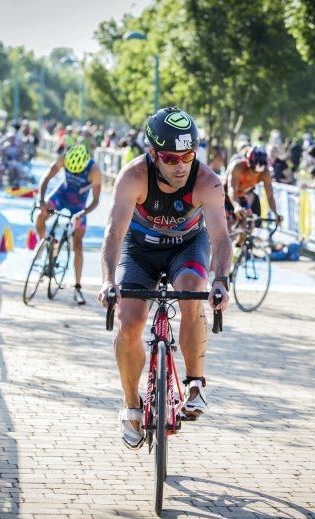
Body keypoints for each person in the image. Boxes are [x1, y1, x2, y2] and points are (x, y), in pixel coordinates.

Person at [97, 107, 231, 449]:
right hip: (138, 250)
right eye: (171, 158)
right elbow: (113, 234)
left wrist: (222, 281)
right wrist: (108, 280)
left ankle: (195, 383)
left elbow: (220, 238)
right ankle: (131, 406)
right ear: (154, 154)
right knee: (129, 320)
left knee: (192, 292)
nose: (181, 165)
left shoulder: (208, 182)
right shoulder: (133, 177)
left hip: (186, 248)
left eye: (188, 155)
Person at [36, 144, 103, 305]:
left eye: (76, 172)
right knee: (41, 216)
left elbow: (95, 201)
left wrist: (82, 214)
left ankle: (78, 287)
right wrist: (41, 200)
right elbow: (46, 178)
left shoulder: (94, 171)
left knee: (78, 245)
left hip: (79, 206)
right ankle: (47, 245)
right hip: (61, 195)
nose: (73, 173)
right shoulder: (63, 158)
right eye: (70, 170)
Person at [225, 145, 283, 226]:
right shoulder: (237, 166)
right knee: (229, 223)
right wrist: (236, 206)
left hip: (240, 195)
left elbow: (270, 196)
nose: (254, 174)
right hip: (224, 194)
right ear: (248, 163)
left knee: (249, 224)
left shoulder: (265, 173)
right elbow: (231, 189)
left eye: (258, 173)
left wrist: (275, 213)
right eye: (252, 170)